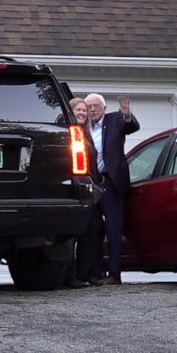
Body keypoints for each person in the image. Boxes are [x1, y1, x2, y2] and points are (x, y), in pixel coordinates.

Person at [84, 93, 140, 285]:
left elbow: (131, 126)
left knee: (114, 228)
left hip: (111, 181)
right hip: (91, 182)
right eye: (89, 106)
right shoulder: (83, 128)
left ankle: (114, 275)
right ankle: (97, 272)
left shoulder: (115, 119)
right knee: (93, 228)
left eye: (96, 106)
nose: (92, 109)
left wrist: (127, 116)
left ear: (104, 107)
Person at [63, 97, 105, 288]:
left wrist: (98, 183)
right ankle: (69, 276)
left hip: (91, 191)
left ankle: (86, 273)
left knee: (93, 231)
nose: (82, 113)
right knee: (71, 236)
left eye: (84, 111)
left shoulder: (86, 134)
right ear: (70, 112)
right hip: (71, 189)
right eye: (78, 110)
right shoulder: (67, 134)